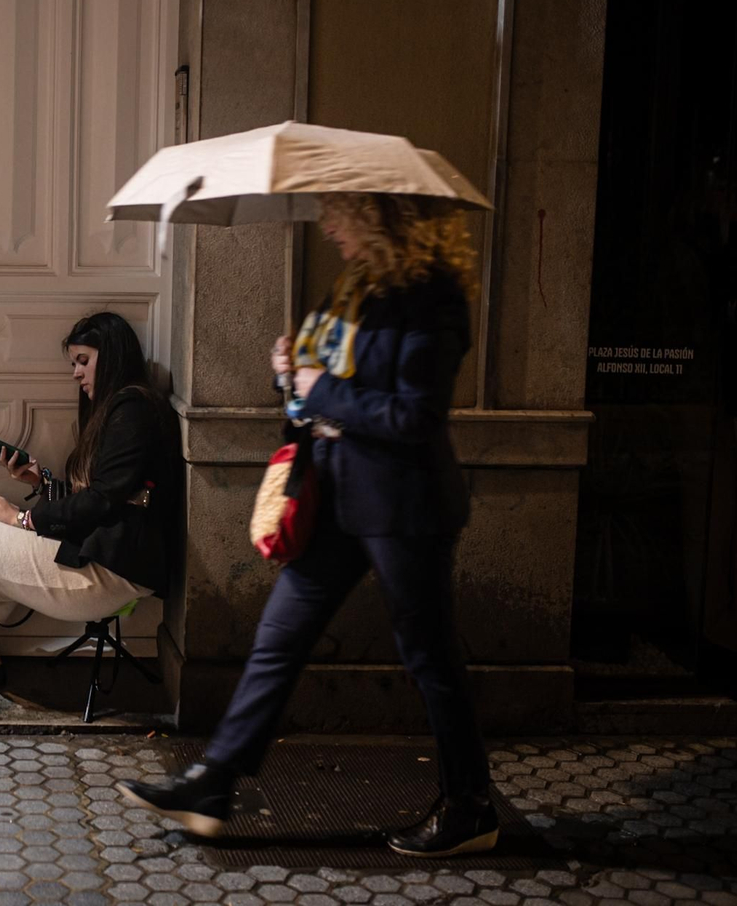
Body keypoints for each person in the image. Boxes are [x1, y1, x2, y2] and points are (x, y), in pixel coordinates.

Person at [118, 193, 495, 858]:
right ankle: (215, 783)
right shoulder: (354, 287)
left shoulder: (431, 297)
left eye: (340, 212)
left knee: (430, 656)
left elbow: (414, 417)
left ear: (380, 216)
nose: (327, 225)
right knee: (278, 637)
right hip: (338, 499)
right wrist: (289, 377)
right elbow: (317, 392)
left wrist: (318, 387)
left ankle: (469, 805)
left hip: (404, 508)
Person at [0, 312, 179, 687]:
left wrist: (21, 519)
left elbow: (102, 503)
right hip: (94, 550)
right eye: (74, 363)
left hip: (107, 572)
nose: (76, 374)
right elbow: (104, 497)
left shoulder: (133, 409)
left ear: (111, 357)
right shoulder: (122, 408)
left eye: (83, 361)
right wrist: (41, 481)